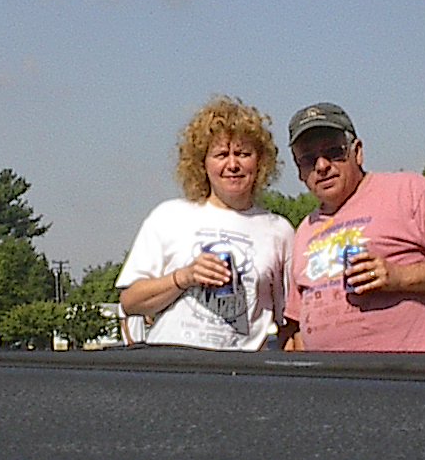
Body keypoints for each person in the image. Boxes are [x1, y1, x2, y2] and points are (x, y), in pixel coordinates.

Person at [282, 102, 425, 352]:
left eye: (334, 152)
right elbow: (297, 327)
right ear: (299, 170)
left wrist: (400, 276)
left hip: (410, 378)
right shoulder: (304, 230)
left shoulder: (408, 191)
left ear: (357, 152)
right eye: (308, 159)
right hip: (334, 384)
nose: (322, 166)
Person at [117, 97, 295, 350]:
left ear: (261, 162)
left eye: (243, 154)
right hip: (171, 368)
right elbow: (130, 302)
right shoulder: (168, 216)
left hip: (241, 375)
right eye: (221, 154)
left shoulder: (279, 230)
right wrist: (185, 276)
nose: (232, 165)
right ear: (202, 163)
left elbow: (289, 320)